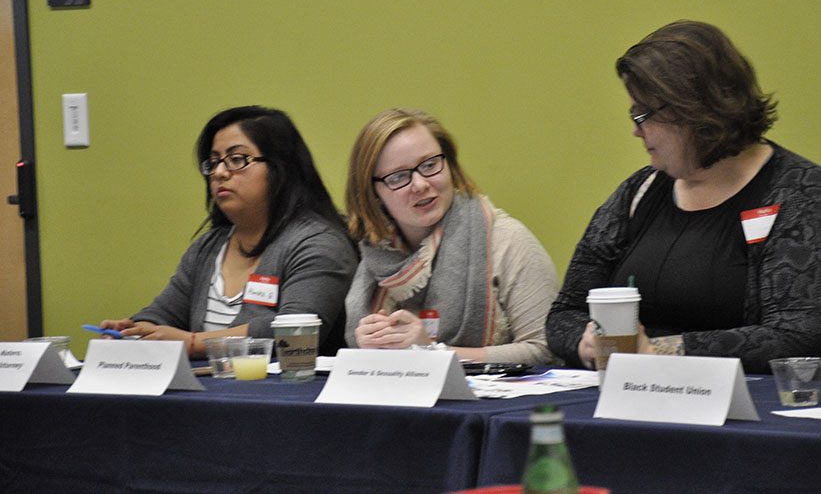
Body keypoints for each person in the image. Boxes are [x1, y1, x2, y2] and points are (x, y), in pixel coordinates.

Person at [546, 20, 821, 380]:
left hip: (769, 419)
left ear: (695, 112)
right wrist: (585, 342)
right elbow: (566, 313)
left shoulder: (805, 197)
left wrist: (661, 351)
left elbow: (806, 337)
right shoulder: (636, 194)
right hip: (638, 403)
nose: (635, 130)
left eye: (643, 115)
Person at [101, 106, 358, 357]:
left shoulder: (320, 243)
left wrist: (193, 343)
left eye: (237, 159)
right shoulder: (207, 248)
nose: (220, 173)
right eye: (213, 163)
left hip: (288, 396)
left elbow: (295, 333)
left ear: (281, 168)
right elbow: (163, 314)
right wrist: (133, 331)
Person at [343, 108, 558, 365]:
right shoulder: (378, 254)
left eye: (430, 165)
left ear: (450, 165)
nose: (421, 184)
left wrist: (432, 353)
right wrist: (370, 347)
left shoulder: (508, 240)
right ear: (372, 192)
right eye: (399, 177)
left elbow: (545, 351)